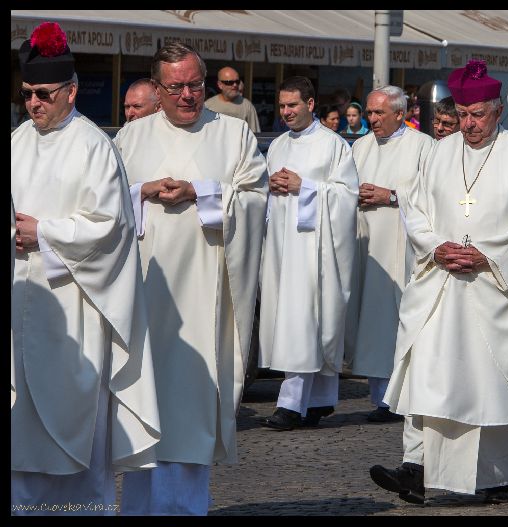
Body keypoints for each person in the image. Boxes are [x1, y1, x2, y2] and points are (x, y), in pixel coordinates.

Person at [368, 59, 508, 505]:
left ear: (497, 113)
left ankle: (492, 479)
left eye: (478, 115)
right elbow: (417, 211)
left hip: (497, 290)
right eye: (462, 115)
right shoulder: (439, 152)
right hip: (442, 286)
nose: (468, 124)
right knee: (428, 371)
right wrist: (437, 247)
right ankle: (417, 468)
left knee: (489, 388)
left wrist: (488, 254)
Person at [114, 42, 268, 515]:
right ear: (156, 89)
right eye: (175, 87)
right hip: (144, 296)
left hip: (207, 298)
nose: (187, 96)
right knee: (145, 413)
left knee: (191, 413)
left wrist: (202, 193)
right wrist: (142, 191)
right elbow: (107, 205)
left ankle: (184, 509)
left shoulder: (235, 134)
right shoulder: (131, 137)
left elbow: (255, 198)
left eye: (195, 85)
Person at [11, 21, 159, 515]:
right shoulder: (16, 142)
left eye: (44, 94)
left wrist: (45, 233)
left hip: (75, 303)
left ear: (71, 92)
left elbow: (111, 228)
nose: (34, 104)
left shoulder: (94, 145)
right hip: (21, 304)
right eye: (27, 93)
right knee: (22, 437)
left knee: (77, 430)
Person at [258, 77, 358, 431]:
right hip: (283, 247)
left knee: (309, 320)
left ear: (311, 104)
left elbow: (348, 196)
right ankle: (320, 399)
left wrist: (307, 187)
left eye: (293, 105)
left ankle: (290, 402)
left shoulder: (333, 145)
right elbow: (263, 192)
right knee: (297, 321)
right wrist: (268, 186)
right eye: (282, 106)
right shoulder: (277, 145)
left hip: (317, 249)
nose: (285, 112)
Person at [347, 85, 434, 423]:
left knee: (398, 319)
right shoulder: (359, 146)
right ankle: (380, 397)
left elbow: (432, 195)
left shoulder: (423, 146)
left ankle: (402, 394)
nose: (372, 119)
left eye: (379, 113)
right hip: (367, 244)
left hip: (404, 246)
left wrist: (393, 196)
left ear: (400, 113)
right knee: (372, 322)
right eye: (369, 112)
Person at [203, 66, 260, 133]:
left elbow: (255, 135)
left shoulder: (247, 106)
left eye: (237, 82)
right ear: (220, 84)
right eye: (229, 82)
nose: (235, 85)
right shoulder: (208, 106)